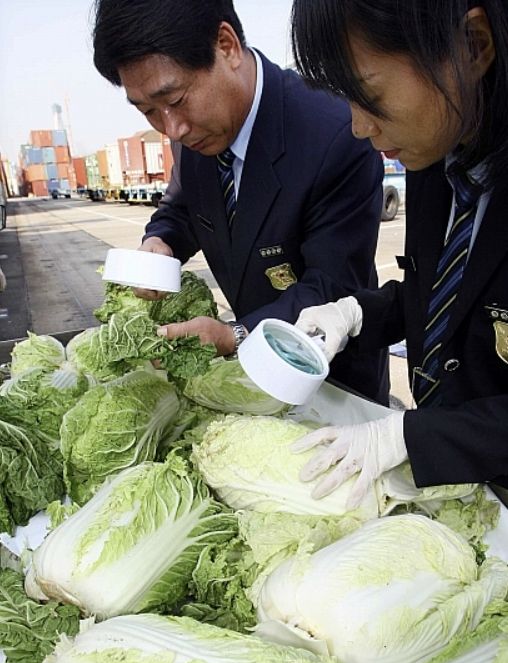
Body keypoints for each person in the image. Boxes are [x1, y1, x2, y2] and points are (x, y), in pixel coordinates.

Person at [92, 0, 389, 405]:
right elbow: (181, 209)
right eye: (149, 111)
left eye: (176, 100)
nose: (172, 129)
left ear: (226, 46)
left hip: (329, 376)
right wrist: (160, 243)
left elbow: (332, 286)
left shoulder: (334, 133)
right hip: (246, 372)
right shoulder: (194, 133)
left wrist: (234, 334)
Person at [289, 0, 508, 506]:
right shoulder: (437, 150)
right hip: (468, 488)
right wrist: (358, 314)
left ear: (473, 46)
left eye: (369, 96)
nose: (359, 127)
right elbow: (447, 295)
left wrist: (410, 438)